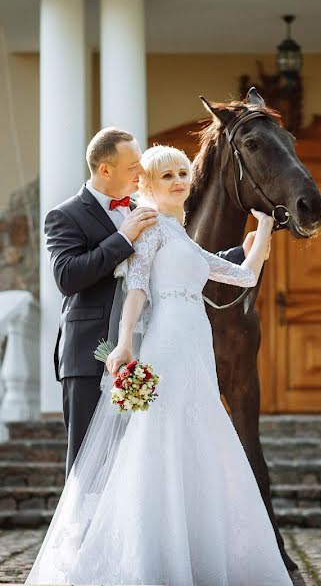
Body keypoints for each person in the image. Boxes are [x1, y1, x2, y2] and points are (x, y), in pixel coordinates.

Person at [27, 145, 292, 586]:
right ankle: (148, 558)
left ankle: (195, 550)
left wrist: (262, 229)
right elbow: (136, 288)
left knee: (200, 435)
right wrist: (125, 343)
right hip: (165, 345)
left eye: (183, 172)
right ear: (146, 185)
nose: (177, 181)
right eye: (165, 175)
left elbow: (243, 276)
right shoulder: (148, 229)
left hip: (195, 347)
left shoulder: (182, 236)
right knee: (158, 439)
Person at [44, 128, 258, 479]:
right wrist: (121, 238)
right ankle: (81, 534)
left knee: (137, 464)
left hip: (148, 353)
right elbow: (68, 278)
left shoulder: (143, 210)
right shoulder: (65, 216)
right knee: (88, 465)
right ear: (105, 170)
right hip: (90, 351)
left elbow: (179, 257)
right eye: (133, 166)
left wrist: (241, 255)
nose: (141, 172)